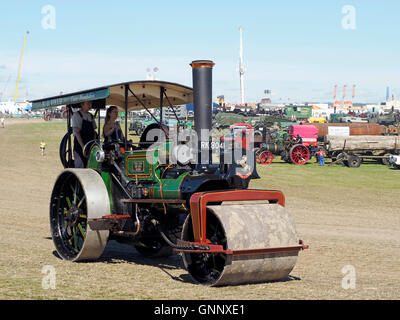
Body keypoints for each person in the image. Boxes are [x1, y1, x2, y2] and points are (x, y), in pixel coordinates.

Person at [72, 101, 97, 168]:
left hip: (90, 145)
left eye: (91, 103)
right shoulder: (77, 115)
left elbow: (94, 132)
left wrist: (94, 144)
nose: (90, 105)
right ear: (82, 104)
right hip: (80, 146)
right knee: (80, 166)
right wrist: (83, 147)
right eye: (88, 103)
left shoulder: (91, 116)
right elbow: (77, 133)